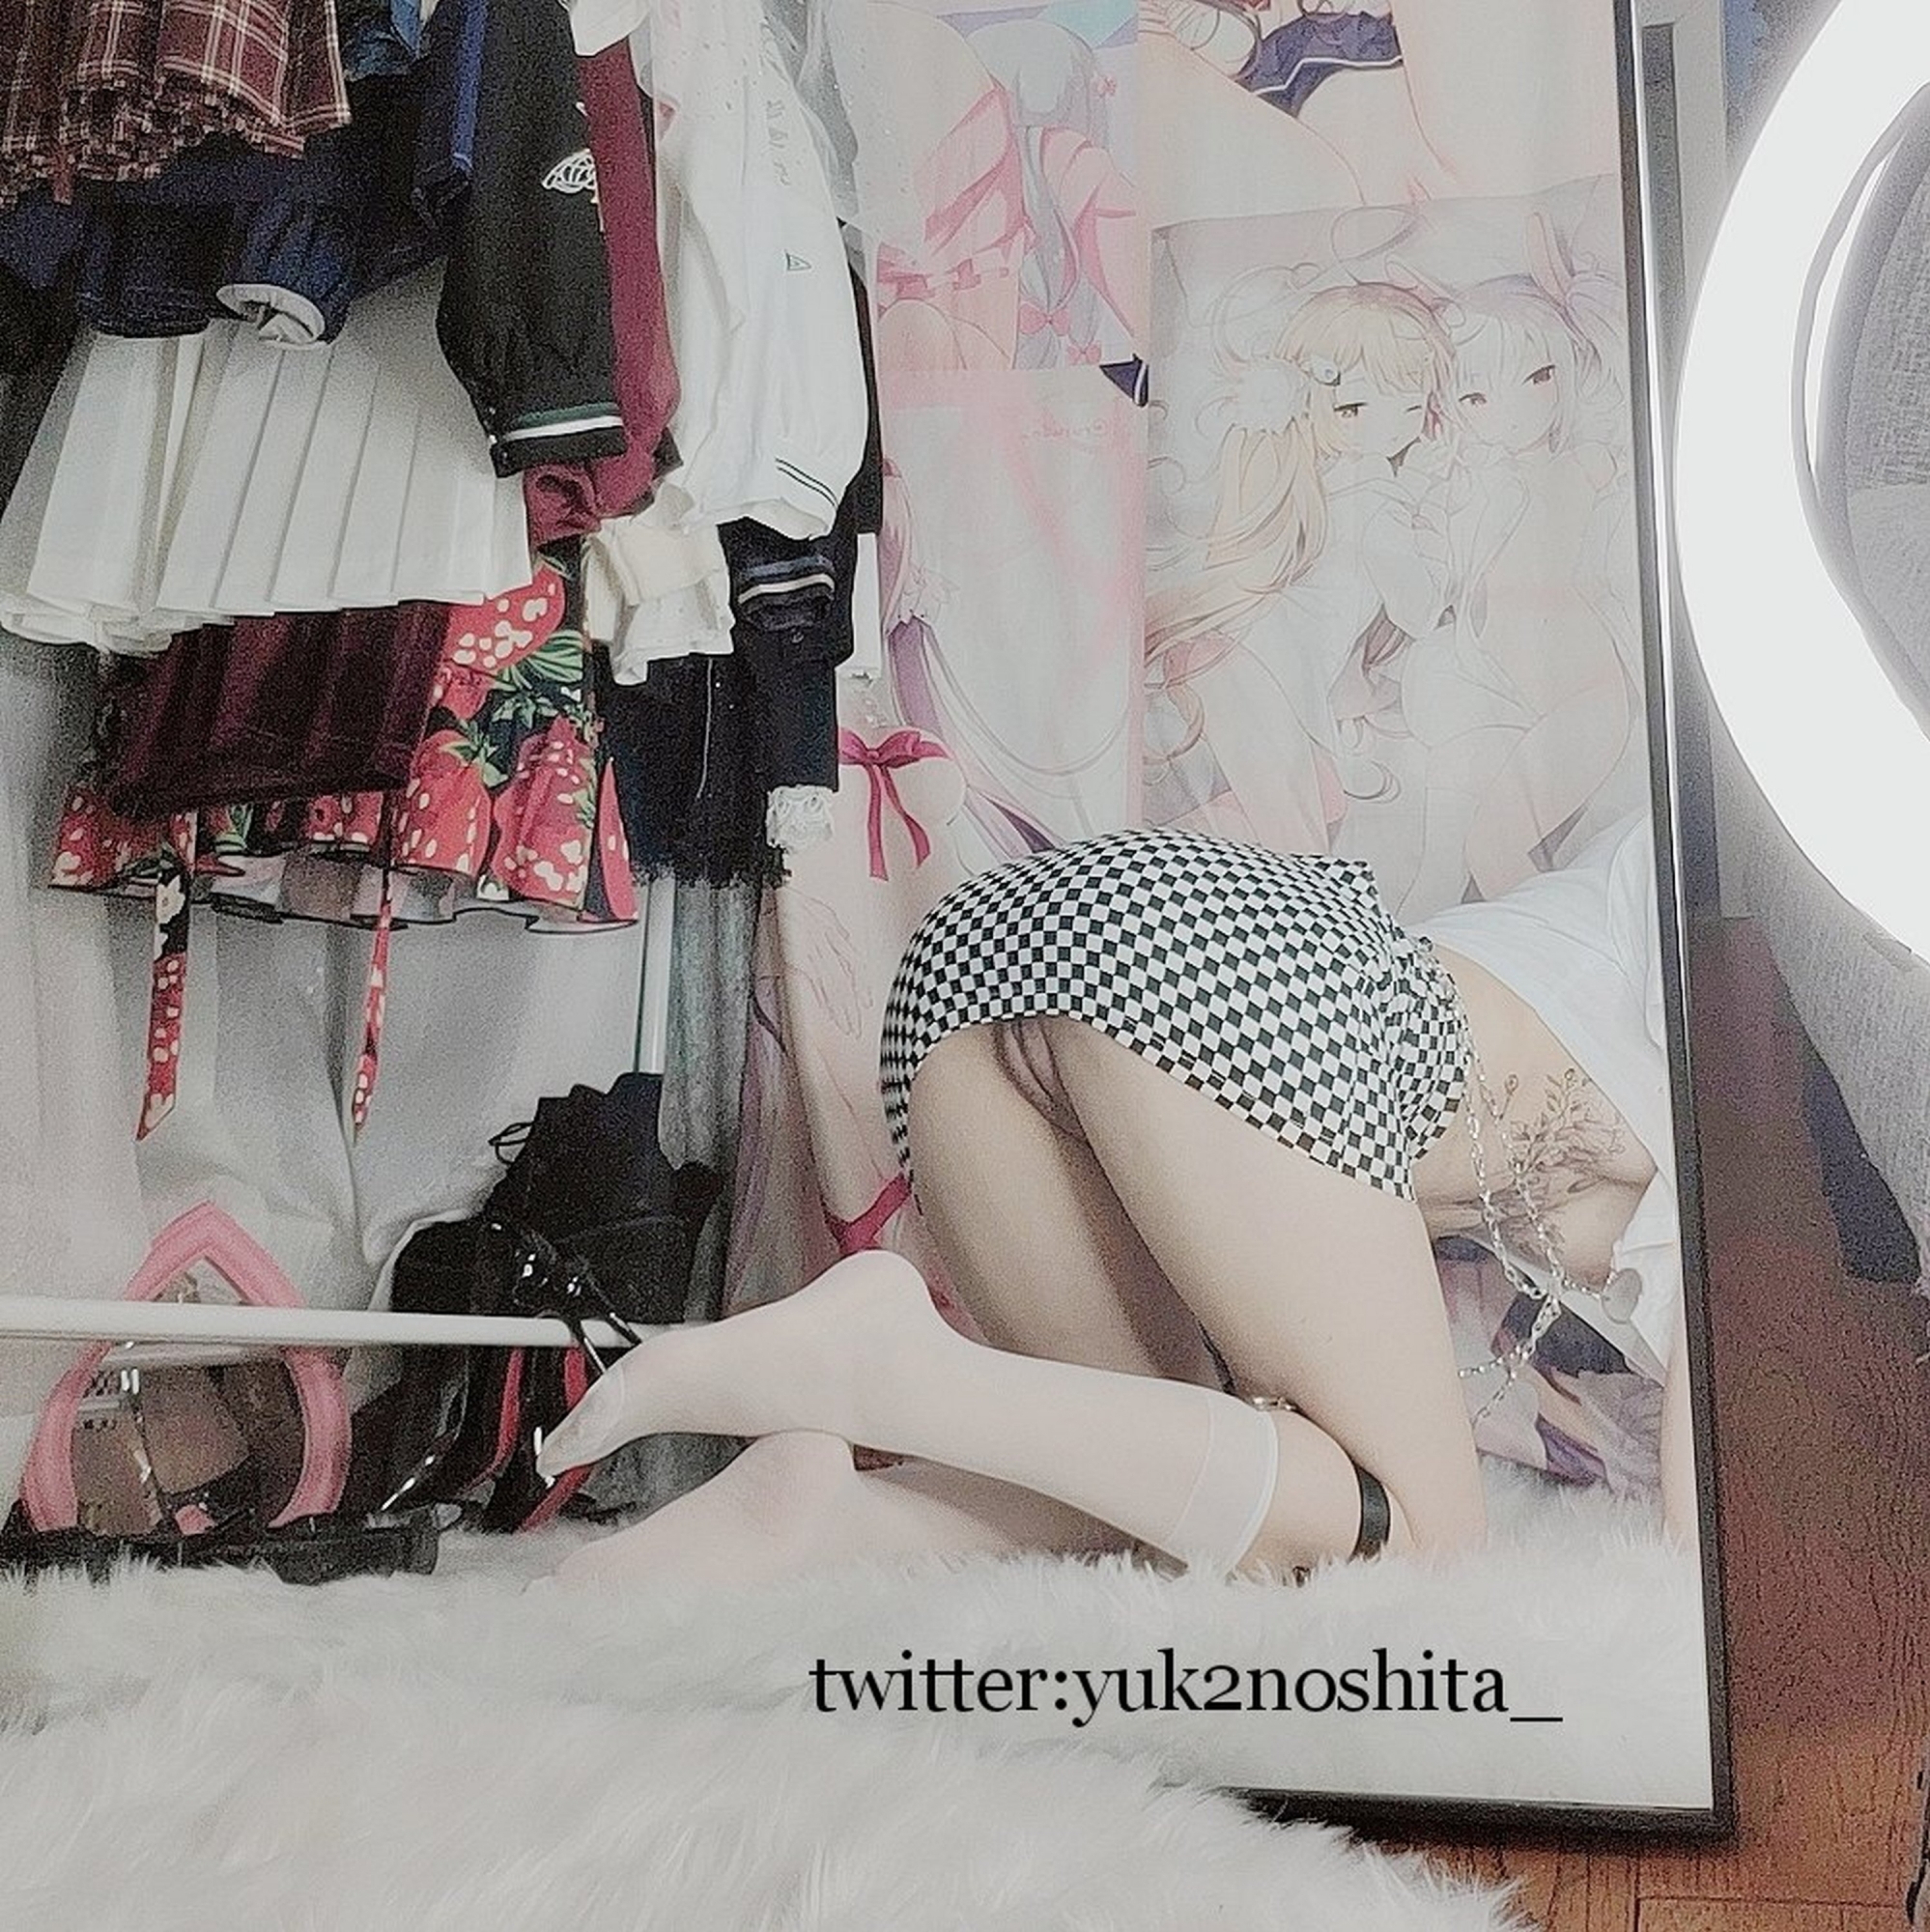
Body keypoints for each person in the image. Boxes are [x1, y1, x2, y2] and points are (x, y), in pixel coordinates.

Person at [536, 814, 1690, 1590]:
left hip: (996, 959)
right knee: (1426, 1541)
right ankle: (892, 1366)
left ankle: (816, 1522)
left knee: (1147, 1489)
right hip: (1234, 970)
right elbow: (1713, 1528)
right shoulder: (1718, 923)